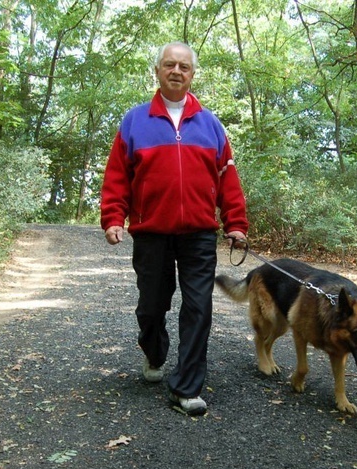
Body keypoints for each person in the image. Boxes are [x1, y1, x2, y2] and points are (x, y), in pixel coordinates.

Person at [100, 42, 248, 416]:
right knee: (152, 306)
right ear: (158, 71)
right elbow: (117, 175)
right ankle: (154, 351)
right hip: (151, 232)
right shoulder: (135, 121)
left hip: (198, 233)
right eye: (170, 65)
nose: (177, 71)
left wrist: (235, 223)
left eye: (184, 66)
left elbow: (227, 177)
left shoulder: (211, 125)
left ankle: (186, 387)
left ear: (192, 74)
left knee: (199, 307)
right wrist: (114, 217)